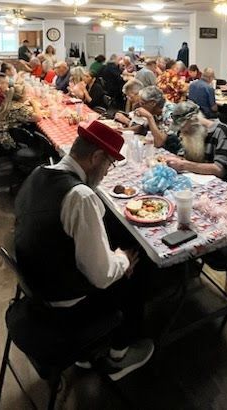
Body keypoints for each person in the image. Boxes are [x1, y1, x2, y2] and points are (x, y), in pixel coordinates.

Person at [14, 120, 154, 381]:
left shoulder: (39, 173)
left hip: (38, 288)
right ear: (97, 156)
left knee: (111, 247)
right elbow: (102, 276)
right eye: (108, 164)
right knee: (138, 265)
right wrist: (123, 259)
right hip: (66, 304)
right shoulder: (80, 196)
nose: (106, 172)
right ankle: (118, 356)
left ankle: (86, 352)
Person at [167, 101, 227, 178]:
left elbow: (219, 170)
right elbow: (184, 156)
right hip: (197, 176)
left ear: (194, 121)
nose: (182, 132)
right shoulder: (186, 131)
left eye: (184, 128)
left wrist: (183, 165)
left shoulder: (220, 130)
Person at [0, 84, 43, 150]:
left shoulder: (8, 102)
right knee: (37, 133)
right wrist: (34, 104)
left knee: (31, 126)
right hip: (6, 141)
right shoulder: (18, 108)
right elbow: (38, 118)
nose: (27, 96)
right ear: (21, 96)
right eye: (26, 94)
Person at [127, 86, 179, 152]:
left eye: (142, 103)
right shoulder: (154, 110)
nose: (140, 106)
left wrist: (149, 117)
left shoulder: (170, 113)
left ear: (153, 103)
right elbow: (142, 128)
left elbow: (159, 142)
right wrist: (121, 130)